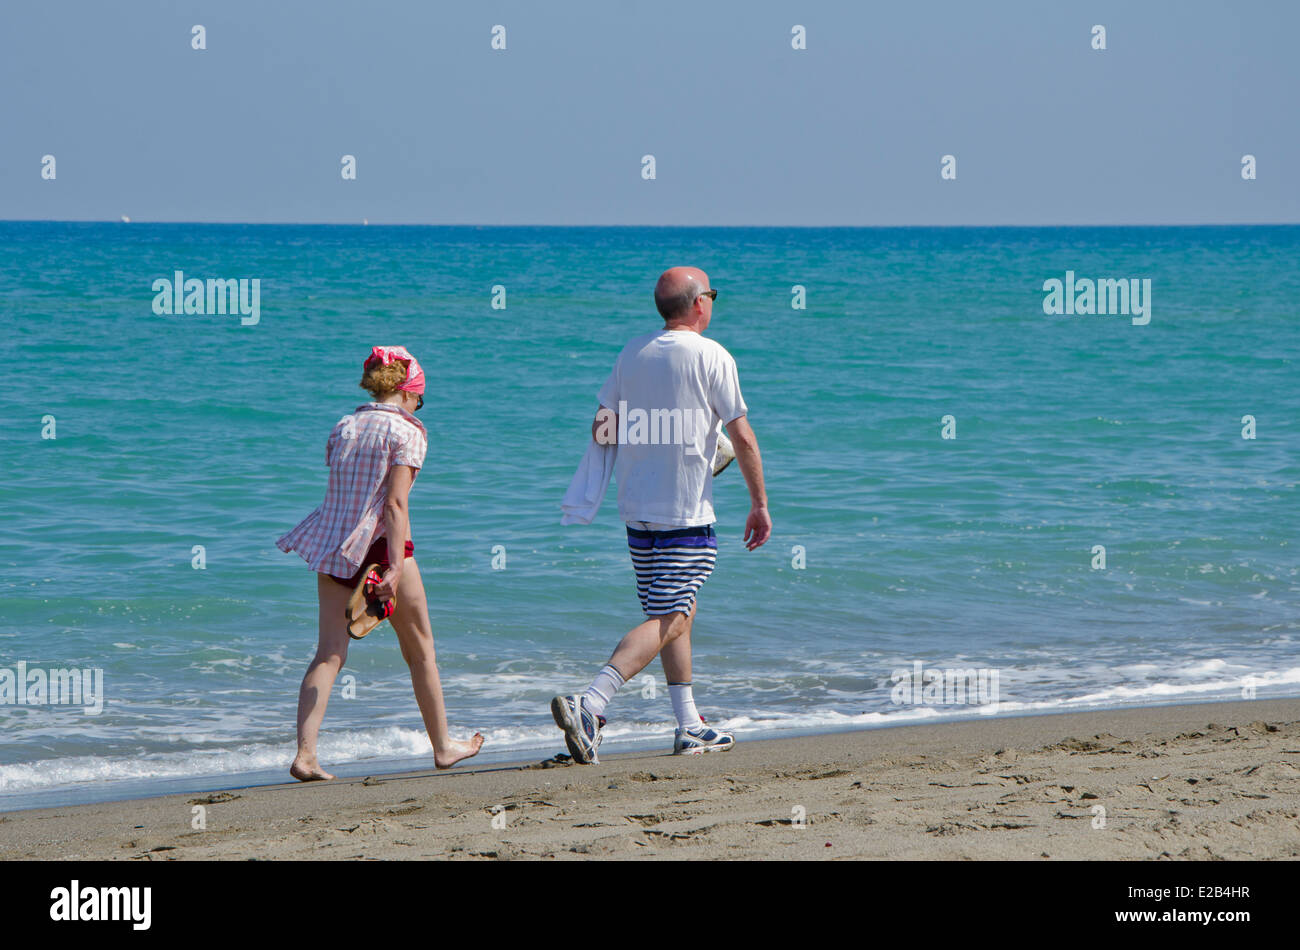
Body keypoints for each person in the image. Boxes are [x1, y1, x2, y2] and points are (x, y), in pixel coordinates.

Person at [552, 267, 772, 763]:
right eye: (712, 294)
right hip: (684, 513)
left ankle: (688, 725)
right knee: (670, 617)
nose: (713, 302)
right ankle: (590, 704)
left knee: (678, 613)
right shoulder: (713, 355)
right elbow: (741, 435)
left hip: (637, 511)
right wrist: (759, 504)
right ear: (698, 304)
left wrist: (655, 435)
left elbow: (603, 428)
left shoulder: (633, 351)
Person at [277, 345, 483, 781]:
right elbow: (393, 504)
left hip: (333, 544)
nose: (419, 405)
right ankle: (443, 747)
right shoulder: (408, 432)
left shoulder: (344, 426)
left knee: (329, 653)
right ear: (409, 391)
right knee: (421, 649)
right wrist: (392, 568)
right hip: (383, 548)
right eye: (420, 397)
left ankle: (306, 755)